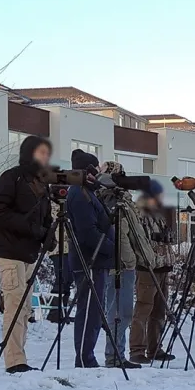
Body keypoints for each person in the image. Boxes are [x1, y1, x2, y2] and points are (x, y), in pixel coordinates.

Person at [0, 136, 54, 373]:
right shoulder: (11, 177)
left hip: (28, 252)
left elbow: (44, 215)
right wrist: (32, 229)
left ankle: (19, 356)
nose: (45, 157)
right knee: (15, 303)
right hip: (9, 250)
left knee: (24, 307)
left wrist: (48, 233)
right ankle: (14, 360)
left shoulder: (41, 182)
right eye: (40, 152)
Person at [96, 161, 151, 369]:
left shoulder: (121, 201)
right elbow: (123, 235)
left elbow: (135, 233)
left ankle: (117, 353)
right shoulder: (108, 200)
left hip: (125, 262)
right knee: (119, 311)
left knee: (122, 311)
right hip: (118, 264)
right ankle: (114, 356)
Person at [67, 149, 115, 368]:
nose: (98, 174)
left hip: (96, 260)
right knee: (89, 311)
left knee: (95, 310)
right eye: (95, 170)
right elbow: (87, 232)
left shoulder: (88, 193)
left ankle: (87, 354)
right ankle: (85, 356)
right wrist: (110, 248)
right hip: (89, 260)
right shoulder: (79, 194)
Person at [129, 180, 176, 364]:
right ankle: (137, 349)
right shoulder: (139, 215)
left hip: (162, 265)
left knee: (159, 310)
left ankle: (155, 347)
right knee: (143, 307)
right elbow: (140, 241)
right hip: (147, 267)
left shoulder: (158, 215)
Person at [46, 201, 74, 324]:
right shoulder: (51, 205)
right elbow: (54, 227)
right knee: (62, 280)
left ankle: (62, 311)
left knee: (67, 280)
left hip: (68, 248)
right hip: (58, 248)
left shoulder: (68, 205)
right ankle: (54, 312)